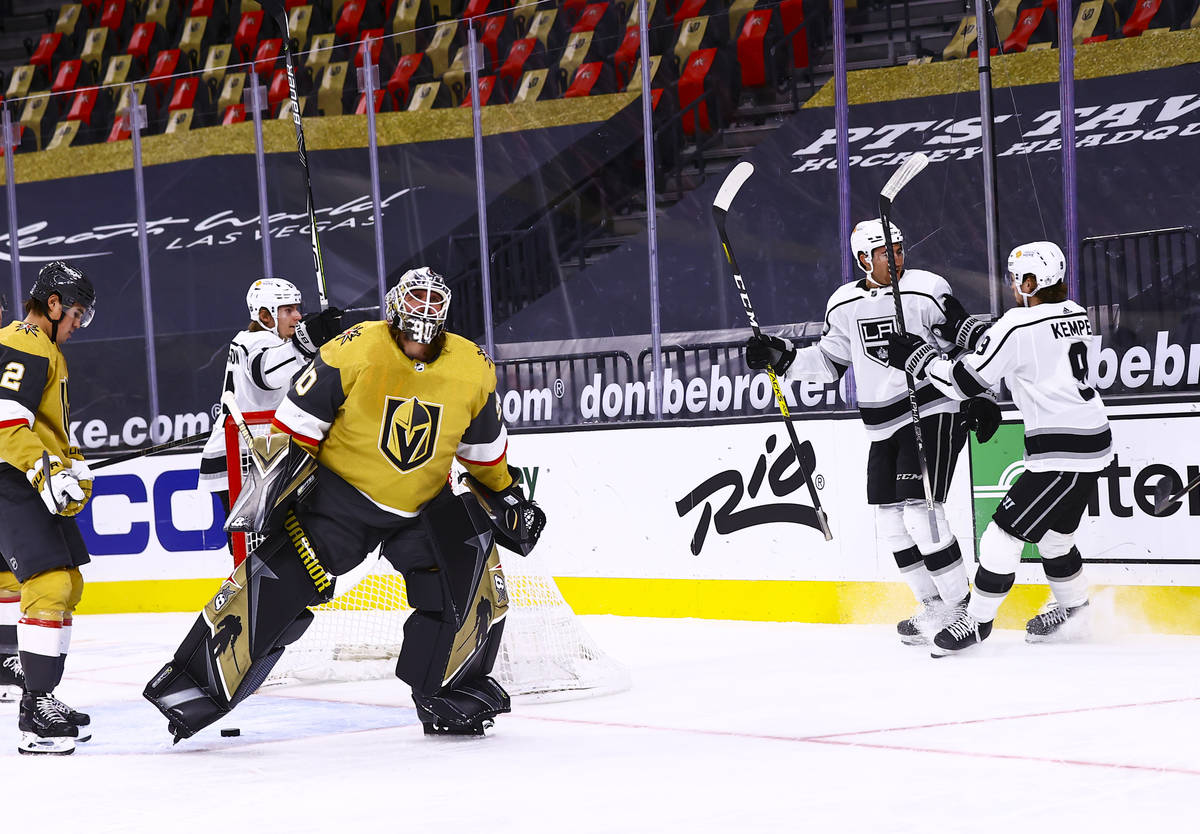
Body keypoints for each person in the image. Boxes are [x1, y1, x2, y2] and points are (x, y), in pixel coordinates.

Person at [145, 266, 545, 741]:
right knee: (275, 584)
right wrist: (274, 498)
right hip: (339, 503)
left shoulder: (472, 366)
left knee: (467, 571)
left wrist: (506, 495)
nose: (417, 344)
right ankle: (193, 687)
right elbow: (295, 426)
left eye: (428, 334)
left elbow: (483, 454)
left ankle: (449, 693)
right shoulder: (352, 348)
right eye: (409, 331)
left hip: (421, 507)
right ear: (394, 316)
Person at [745, 219, 1000, 645]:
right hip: (882, 425)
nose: (897, 258)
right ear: (864, 258)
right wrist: (783, 356)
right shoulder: (842, 303)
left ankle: (963, 611)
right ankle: (934, 608)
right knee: (892, 524)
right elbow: (828, 364)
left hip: (931, 409)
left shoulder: (926, 288)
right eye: (887, 253)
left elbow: (965, 344)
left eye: (900, 250)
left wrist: (981, 397)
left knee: (923, 515)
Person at [885, 241, 1111, 655]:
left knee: (1001, 536)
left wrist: (918, 358)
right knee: (1056, 539)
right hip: (1094, 441)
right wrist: (967, 329)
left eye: (1014, 278)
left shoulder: (1016, 325)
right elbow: (1018, 348)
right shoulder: (1076, 313)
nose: (1011, 286)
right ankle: (1075, 608)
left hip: (1061, 453)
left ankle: (975, 623)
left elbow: (965, 383)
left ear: (1031, 282)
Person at [0, 261, 98, 754]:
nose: (78, 323)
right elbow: (5, 423)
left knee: (66, 583)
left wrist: (69, 463)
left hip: (22, 473)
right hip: (11, 477)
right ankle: (35, 712)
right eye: (76, 312)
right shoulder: (24, 343)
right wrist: (45, 470)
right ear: (53, 304)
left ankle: (26, 681)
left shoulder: (41, 347)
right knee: (52, 584)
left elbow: (37, 424)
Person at [198, 277, 343, 541]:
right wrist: (304, 343)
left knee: (270, 544)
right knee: (254, 547)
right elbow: (265, 371)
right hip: (240, 459)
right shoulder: (254, 341)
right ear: (265, 316)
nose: (298, 316)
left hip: (255, 453)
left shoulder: (273, 343)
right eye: (288, 310)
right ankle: (251, 584)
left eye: (297, 308)